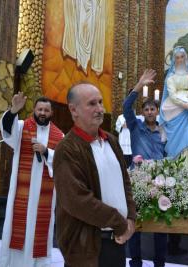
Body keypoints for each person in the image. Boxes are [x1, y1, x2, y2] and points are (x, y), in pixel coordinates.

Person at [53, 83, 136, 267]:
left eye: (100, 102)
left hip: (116, 240)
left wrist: (130, 217)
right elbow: (76, 200)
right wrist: (120, 223)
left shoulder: (111, 141)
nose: (100, 109)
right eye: (92, 104)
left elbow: (125, 182)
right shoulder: (67, 149)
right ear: (73, 110)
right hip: (86, 247)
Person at [0, 94, 64, 267]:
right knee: (17, 228)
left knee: (40, 231)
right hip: (22, 191)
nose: (42, 113)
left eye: (46, 110)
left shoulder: (59, 135)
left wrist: (46, 152)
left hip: (44, 196)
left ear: (51, 113)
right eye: (39, 109)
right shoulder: (21, 127)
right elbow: (7, 132)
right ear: (34, 110)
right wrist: (13, 111)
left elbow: (63, 161)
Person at [123, 69, 168, 267]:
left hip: (159, 178)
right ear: (142, 113)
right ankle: (136, 261)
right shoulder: (135, 126)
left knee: (161, 223)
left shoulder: (163, 131)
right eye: (146, 109)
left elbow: (167, 153)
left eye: (153, 109)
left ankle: (160, 262)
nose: (150, 112)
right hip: (138, 177)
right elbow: (126, 107)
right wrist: (139, 85)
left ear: (157, 112)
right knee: (136, 220)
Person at [159, 46, 188, 164]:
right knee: (179, 138)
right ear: (174, 59)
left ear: (185, 58)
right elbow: (172, 95)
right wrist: (184, 105)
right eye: (177, 57)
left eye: (182, 57)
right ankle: (179, 165)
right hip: (176, 109)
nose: (180, 59)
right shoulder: (171, 77)